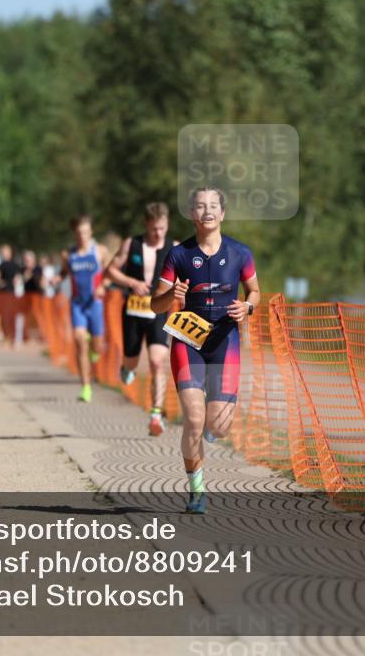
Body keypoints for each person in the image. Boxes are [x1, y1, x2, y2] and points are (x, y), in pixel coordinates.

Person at [151, 187, 260, 515]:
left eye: (213, 206)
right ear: (192, 214)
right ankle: (196, 489)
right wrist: (172, 294)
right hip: (188, 341)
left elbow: (254, 290)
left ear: (223, 214)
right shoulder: (178, 255)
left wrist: (248, 308)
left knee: (219, 427)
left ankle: (213, 428)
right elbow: (155, 303)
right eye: (200, 206)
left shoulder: (240, 253)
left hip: (225, 342)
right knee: (194, 420)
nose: (207, 211)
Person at [107, 202, 177, 436]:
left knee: (158, 361)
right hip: (134, 311)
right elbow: (111, 271)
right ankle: (127, 368)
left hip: (158, 311)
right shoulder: (132, 244)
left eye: (163, 228)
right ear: (147, 225)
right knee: (131, 362)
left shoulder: (174, 247)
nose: (159, 233)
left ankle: (156, 414)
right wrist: (132, 283)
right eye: (155, 228)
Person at [60, 215, 113, 403]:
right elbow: (63, 273)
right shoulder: (68, 255)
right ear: (75, 234)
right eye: (79, 233)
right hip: (77, 304)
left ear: (91, 232)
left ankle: (95, 346)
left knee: (97, 346)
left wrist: (103, 286)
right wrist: (54, 280)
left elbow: (110, 273)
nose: (82, 236)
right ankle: (86, 387)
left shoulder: (100, 251)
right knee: (79, 339)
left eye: (85, 232)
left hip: (95, 304)